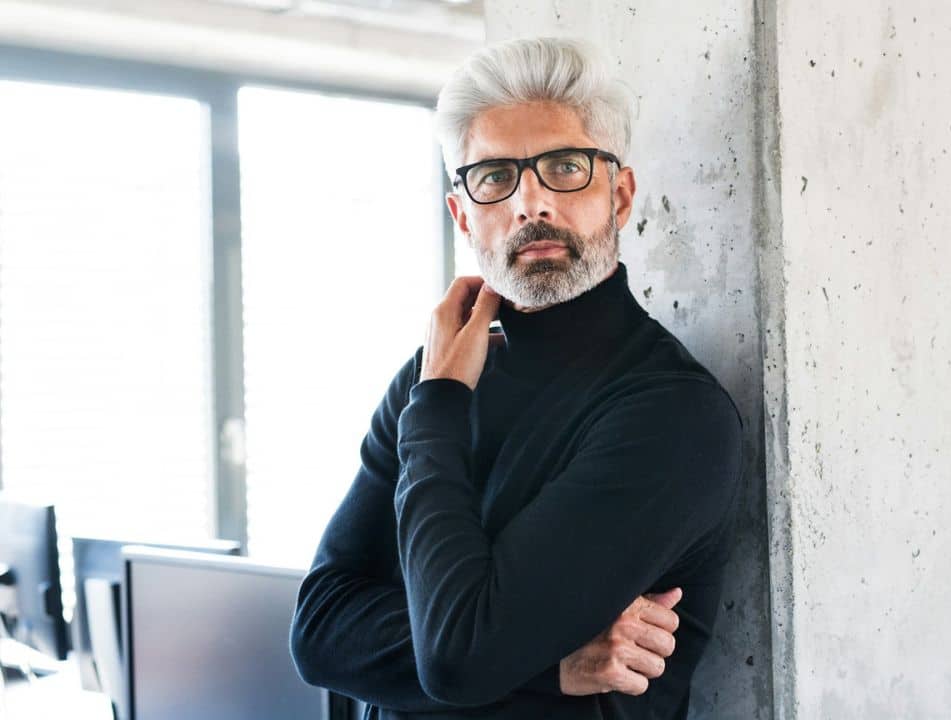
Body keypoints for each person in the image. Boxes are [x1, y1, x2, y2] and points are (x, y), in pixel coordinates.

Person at [289, 36, 744, 720]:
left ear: (618, 196)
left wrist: (439, 407)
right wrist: (552, 666)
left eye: (564, 166)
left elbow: (461, 658)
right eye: (495, 176)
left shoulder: (673, 415)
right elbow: (320, 631)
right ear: (462, 214)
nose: (531, 203)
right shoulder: (433, 375)